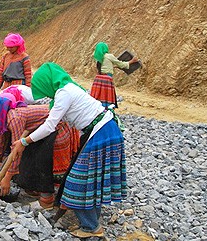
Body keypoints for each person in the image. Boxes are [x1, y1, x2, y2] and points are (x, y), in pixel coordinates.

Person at [11, 62, 126, 238]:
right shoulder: (68, 89)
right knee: (90, 178)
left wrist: (24, 142)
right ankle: (91, 223)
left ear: (47, 82)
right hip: (105, 130)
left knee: (77, 181)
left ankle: (92, 227)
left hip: (101, 133)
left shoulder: (64, 93)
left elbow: (50, 126)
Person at [0, 98, 79, 209]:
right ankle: (35, 189)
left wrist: (7, 177)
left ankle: (48, 201)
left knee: (44, 164)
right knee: (30, 159)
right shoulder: (4, 118)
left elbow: (16, 151)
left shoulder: (14, 119)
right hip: (41, 132)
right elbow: (1, 143)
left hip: (58, 129)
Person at [91, 42, 138, 108]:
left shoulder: (97, 57)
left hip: (98, 79)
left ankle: (98, 107)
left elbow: (104, 66)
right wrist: (132, 61)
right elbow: (121, 64)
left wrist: (113, 66)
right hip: (107, 78)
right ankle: (107, 108)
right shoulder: (109, 56)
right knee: (106, 94)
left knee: (99, 95)